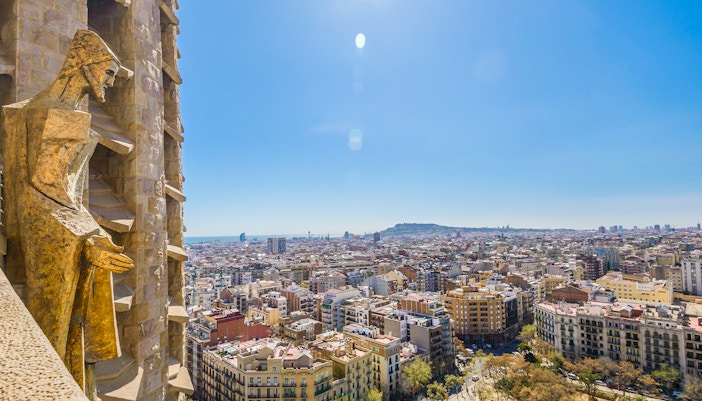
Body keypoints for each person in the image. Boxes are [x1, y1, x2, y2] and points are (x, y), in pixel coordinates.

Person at [2, 29, 133, 393]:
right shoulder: (61, 115)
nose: (110, 80)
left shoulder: (55, 110)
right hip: (50, 236)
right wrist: (90, 238)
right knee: (56, 326)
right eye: (106, 71)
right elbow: (42, 192)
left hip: (60, 227)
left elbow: (55, 192)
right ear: (85, 65)